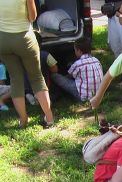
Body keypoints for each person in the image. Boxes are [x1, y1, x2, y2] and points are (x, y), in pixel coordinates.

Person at [0, 0, 54, 128]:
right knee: (36, 77)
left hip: (3, 40)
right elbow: (32, 17)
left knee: (15, 79)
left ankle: (23, 120)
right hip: (24, 38)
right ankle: (49, 118)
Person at [51, 37, 103, 102]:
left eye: (75, 50)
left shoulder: (78, 63)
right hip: (99, 94)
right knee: (72, 66)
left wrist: (63, 77)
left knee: (55, 76)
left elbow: (69, 76)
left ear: (79, 51)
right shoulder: (96, 60)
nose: (74, 52)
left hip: (83, 97)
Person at [24, 32, 59, 105]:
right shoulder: (45, 55)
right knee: (57, 91)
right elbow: (55, 70)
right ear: (40, 42)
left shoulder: (21, 56)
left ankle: (29, 95)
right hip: (43, 86)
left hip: (27, 86)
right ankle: (42, 98)